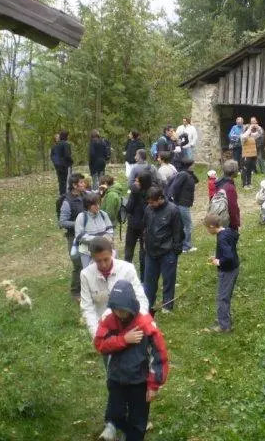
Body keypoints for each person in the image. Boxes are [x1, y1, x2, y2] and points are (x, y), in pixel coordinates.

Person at [80, 238, 150, 441]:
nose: (103, 264)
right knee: (114, 378)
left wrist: (139, 327)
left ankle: (138, 416)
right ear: (92, 259)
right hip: (107, 333)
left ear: (112, 253)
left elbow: (141, 298)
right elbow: (87, 307)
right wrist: (98, 335)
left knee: (136, 375)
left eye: (106, 259)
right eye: (98, 261)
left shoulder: (127, 269)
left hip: (133, 331)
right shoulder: (86, 275)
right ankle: (112, 422)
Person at [94, 280, 168, 441]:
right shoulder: (108, 319)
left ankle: (133, 434)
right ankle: (123, 430)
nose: (119, 314)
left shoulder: (145, 323)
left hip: (139, 382)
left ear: (132, 306)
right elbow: (100, 345)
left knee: (138, 422)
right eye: (116, 309)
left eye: (123, 310)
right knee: (115, 415)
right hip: (116, 379)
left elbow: (159, 355)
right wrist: (123, 340)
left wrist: (154, 385)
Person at [143, 187, 183, 313]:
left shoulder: (173, 210)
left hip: (167, 252)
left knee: (168, 280)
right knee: (149, 281)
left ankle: (167, 305)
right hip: (150, 252)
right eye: (149, 202)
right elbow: (145, 227)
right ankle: (147, 305)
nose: (150, 205)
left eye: (152, 202)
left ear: (160, 198)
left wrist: (175, 251)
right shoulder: (148, 209)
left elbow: (178, 232)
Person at [204, 213, 240, 333]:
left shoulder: (222, 238)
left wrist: (218, 261)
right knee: (225, 296)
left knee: (222, 298)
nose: (207, 231)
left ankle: (224, 326)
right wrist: (217, 257)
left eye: (207, 228)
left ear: (212, 226)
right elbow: (230, 247)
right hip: (233, 268)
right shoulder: (228, 232)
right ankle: (225, 318)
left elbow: (228, 257)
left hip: (227, 271)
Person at [59, 173, 88, 299]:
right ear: (74, 185)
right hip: (73, 238)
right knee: (78, 264)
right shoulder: (67, 202)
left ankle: (86, 288)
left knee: (87, 262)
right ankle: (75, 291)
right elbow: (62, 222)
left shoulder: (84, 196)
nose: (84, 184)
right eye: (81, 182)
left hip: (86, 236)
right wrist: (78, 223)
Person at [124, 172, 152, 281]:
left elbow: (128, 208)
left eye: (137, 181)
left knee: (133, 251)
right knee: (138, 251)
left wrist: (135, 196)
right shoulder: (150, 192)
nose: (135, 183)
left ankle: (135, 277)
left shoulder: (140, 193)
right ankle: (141, 278)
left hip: (138, 225)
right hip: (141, 225)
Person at [168, 158, 199, 253]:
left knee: (182, 225)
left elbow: (196, 180)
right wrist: (173, 198)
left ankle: (181, 245)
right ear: (190, 165)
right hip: (182, 203)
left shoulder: (187, 174)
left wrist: (191, 173)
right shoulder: (183, 174)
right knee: (187, 225)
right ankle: (186, 246)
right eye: (193, 164)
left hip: (184, 203)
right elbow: (175, 187)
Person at [74, 193, 114, 268]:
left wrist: (108, 237)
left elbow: (110, 230)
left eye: (98, 204)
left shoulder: (103, 214)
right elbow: (79, 236)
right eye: (94, 205)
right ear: (88, 205)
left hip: (103, 250)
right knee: (89, 272)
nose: (97, 206)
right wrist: (97, 240)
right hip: (87, 252)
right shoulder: (81, 217)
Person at [215, 160, 241, 231]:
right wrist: (235, 222)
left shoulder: (221, 182)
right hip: (229, 224)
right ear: (234, 172)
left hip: (221, 220)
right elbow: (232, 208)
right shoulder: (229, 188)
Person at [240, 119, 261, 189]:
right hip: (246, 156)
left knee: (250, 170)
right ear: (246, 130)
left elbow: (259, 133)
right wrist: (250, 128)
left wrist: (257, 127)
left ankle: (249, 183)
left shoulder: (252, 136)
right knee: (245, 170)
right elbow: (245, 136)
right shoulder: (242, 136)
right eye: (249, 129)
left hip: (253, 156)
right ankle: (244, 184)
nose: (251, 130)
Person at [53, 130, 73, 195]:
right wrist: (71, 161)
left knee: (61, 181)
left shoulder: (56, 144)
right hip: (65, 165)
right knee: (66, 180)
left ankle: (62, 194)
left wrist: (55, 163)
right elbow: (67, 155)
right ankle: (66, 195)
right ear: (66, 136)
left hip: (58, 165)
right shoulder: (66, 144)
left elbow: (54, 156)